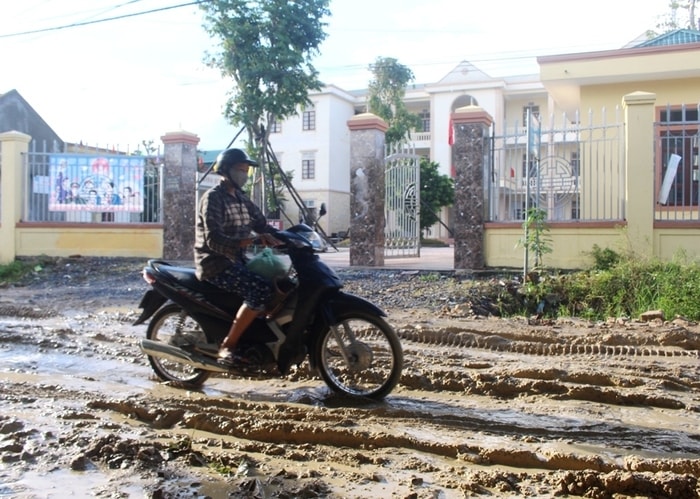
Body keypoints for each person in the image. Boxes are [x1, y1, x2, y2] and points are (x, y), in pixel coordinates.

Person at [194, 148, 279, 367]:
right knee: (259, 289)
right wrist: (248, 241)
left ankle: (256, 335)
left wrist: (292, 235)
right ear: (226, 171)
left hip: (238, 259)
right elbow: (213, 239)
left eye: (246, 171)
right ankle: (228, 344)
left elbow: (261, 224)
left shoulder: (241, 198)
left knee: (280, 284)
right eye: (240, 170)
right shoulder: (213, 198)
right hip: (215, 263)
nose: (244, 174)